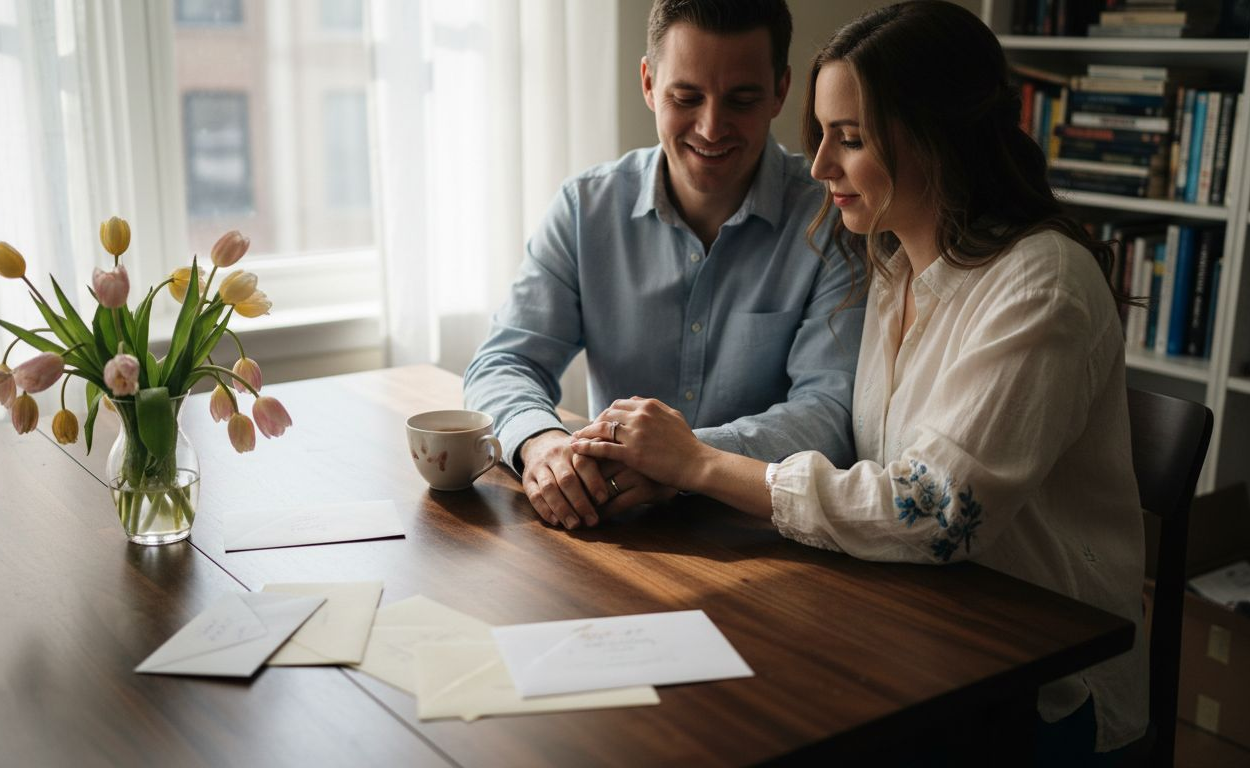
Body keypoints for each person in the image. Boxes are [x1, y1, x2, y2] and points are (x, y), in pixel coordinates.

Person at [571, 1, 1147, 761]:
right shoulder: (894, 263)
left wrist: (700, 463)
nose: (818, 168)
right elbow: (865, 451)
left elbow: (935, 510)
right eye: (821, 137)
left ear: (937, 139)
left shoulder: (1040, 286)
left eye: (850, 140)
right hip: (922, 626)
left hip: (1042, 688)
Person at [464, 0, 864, 531]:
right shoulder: (586, 209)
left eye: (741, 99)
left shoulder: (832, 219)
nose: (711, 126)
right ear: (650, 84)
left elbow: (828, 413)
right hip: (608, 536)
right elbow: (504, 362)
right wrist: (542, 444)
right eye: (686, 97)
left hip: (763, 541)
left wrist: (688, 463)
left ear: (780, 91)